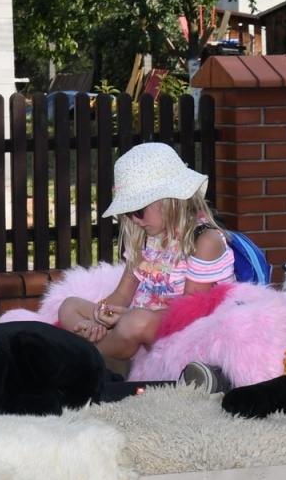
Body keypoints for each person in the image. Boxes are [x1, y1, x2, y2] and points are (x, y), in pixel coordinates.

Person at [58, 141, 235, 370]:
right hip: (144, 321)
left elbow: (191, 311)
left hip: (187, 331)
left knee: (136, 321)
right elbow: (122, 294)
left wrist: (129, 316)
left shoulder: (204, 241)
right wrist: (104, 314)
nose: (134, 219)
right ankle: (97, 338)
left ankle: (85, 356)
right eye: (128, 213)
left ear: (169, 200)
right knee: (69, 306)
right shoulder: (145, 238)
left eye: (138, 211)